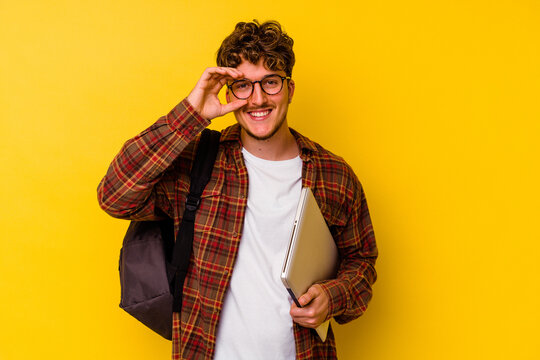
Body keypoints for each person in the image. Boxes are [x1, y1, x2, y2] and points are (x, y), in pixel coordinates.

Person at [98, 20, 378, 360]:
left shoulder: (335, 175)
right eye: (243, 86)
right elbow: (114, 195)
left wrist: (333, 296)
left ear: (290, 89)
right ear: (228, 94)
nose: (257, 99)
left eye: (270, 83)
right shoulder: (199, 162)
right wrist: (192, 114)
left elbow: (361, 263)